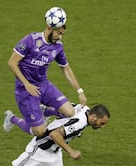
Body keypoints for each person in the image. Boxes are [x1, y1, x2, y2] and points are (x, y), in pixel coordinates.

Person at [5, 7, 87, 137]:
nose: (59, 37)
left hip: (43, 85)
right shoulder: (30, 40)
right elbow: (12, 63)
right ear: (49, 28)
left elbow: (65, 68)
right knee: (41, 132)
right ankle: (12, 118)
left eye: (62, 34)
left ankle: (46, 111)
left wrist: (80, 91)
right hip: (26, 90)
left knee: (70, 112)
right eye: (58, 33)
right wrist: (27, 84)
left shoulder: (58, 46)